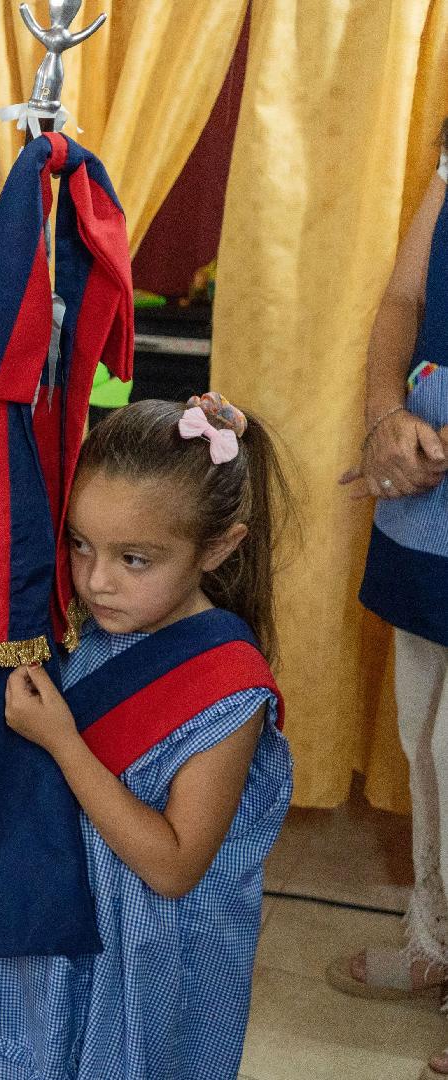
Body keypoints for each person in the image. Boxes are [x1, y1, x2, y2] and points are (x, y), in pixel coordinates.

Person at [0, 395, 293, 1079]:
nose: (97, 579)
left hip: (140, 970)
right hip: (52, 940)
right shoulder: (82, 626)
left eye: (134, 559)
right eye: (79, 544)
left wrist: (61, 743)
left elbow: (172, 867)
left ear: (218, 547)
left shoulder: (227, 691)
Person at [334, 121, 448, 1078]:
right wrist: (384, 418)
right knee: (423, 737)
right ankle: (434, 943)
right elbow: (403, 301)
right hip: (429, 488)